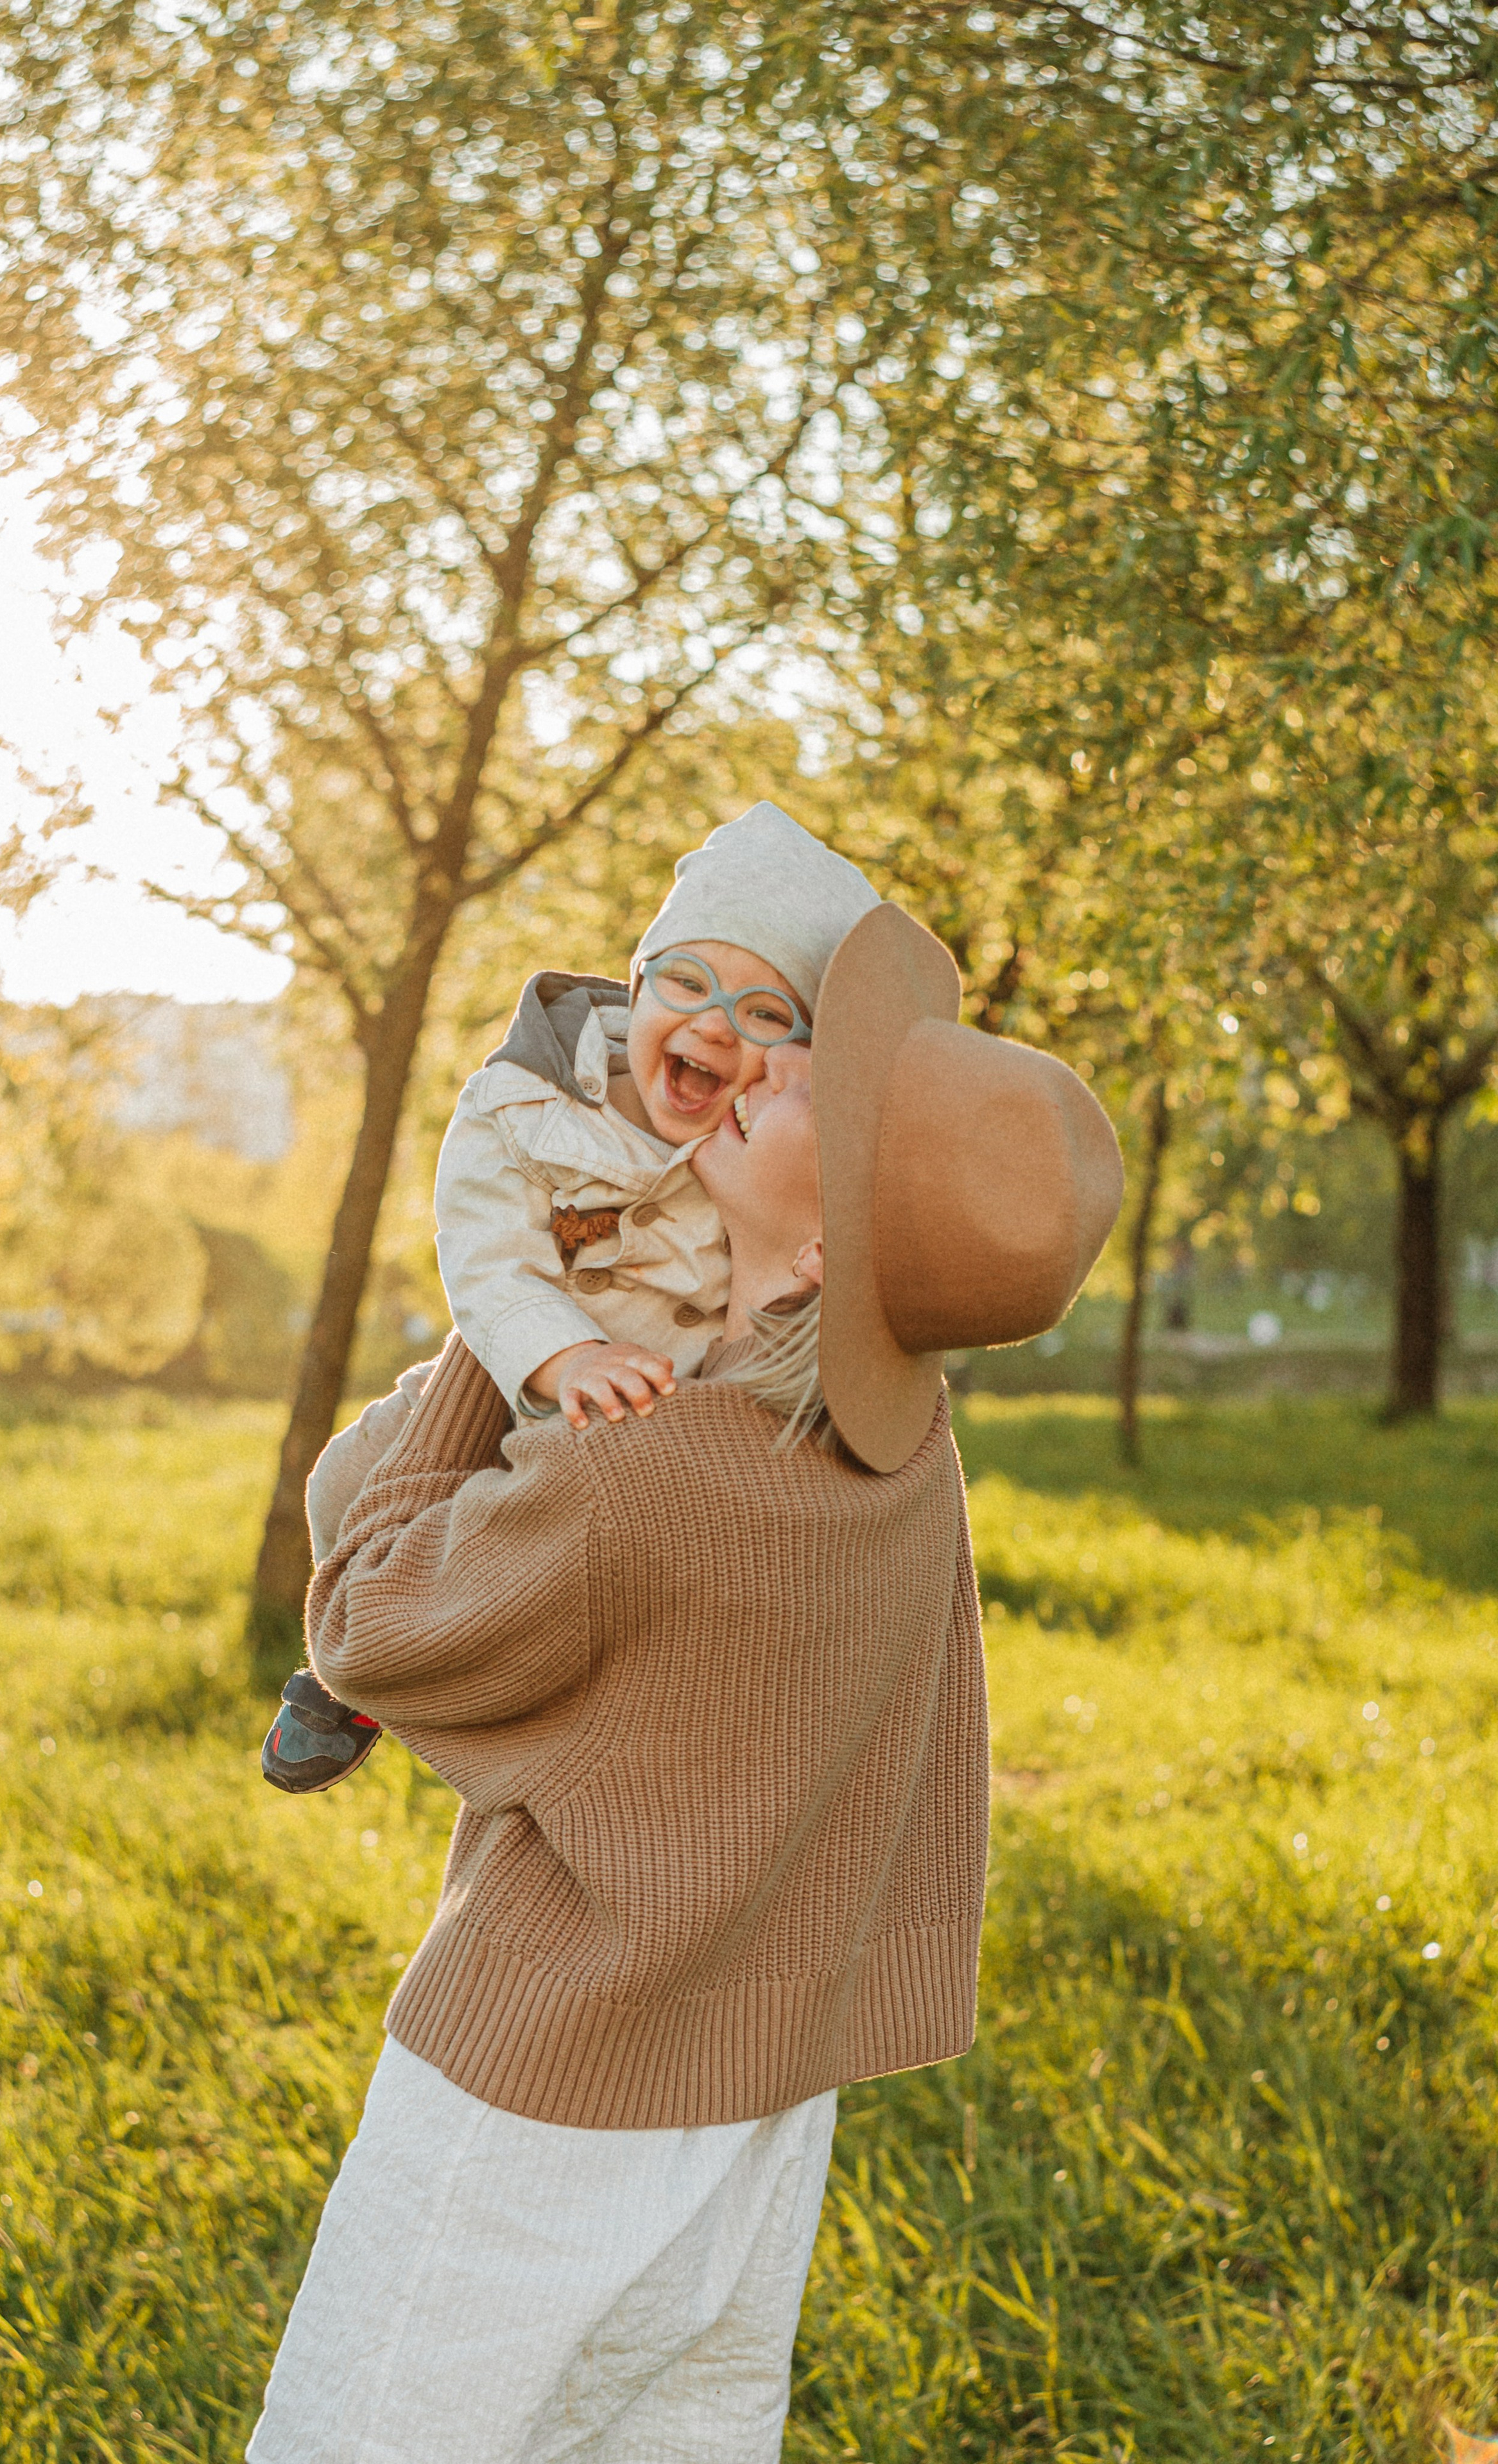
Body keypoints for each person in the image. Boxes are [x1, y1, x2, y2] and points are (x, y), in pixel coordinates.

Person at [245, 902, 1123, 2464]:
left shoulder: (635, 1482)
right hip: (761, 2093)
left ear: (826, 1246)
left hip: (546, 2073)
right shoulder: (901, 1461)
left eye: (821, 1097)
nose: (770, 1069)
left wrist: (516, 1316)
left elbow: (368, 1624)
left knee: (368, 2431)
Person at [262, 798, 879, 1792]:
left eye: (764, 1016)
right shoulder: (528, 1104)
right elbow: (487, 1254)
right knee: (343, 1483)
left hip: (649, 1423)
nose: (716, 1030)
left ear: (800, 1056)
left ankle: (482, 1702)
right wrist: (562, 1352)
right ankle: (353, 1682)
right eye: (689, 983)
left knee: (545, 1588)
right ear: (636, 984)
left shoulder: (763, 1146)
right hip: (520, 1367)